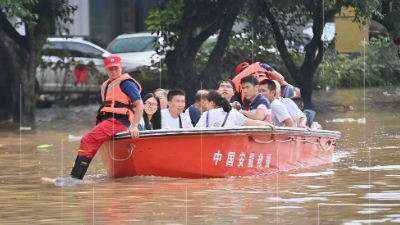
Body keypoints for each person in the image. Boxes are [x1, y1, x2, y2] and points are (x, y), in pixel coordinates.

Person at [70, 55, 143, 180]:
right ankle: (75, 177)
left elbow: (139, 104)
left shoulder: (127, 84)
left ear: (121, 67)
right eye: (111, 69)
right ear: (106, 69)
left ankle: (74, 178)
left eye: (116, 69)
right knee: (88, 141)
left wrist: (134, 126)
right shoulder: (107, 85)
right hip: (109, 122)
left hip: (119, 122)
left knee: (87, 140)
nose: (114, 72)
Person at [195, 90, 275, 129]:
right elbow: (253, 123)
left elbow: (195, 131)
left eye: (206, 102)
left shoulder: (208, 114)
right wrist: (267, 124)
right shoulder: (233, 112)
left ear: (211, 103)